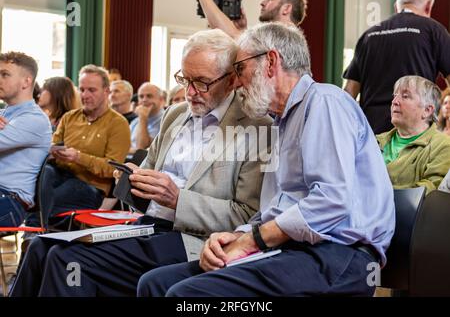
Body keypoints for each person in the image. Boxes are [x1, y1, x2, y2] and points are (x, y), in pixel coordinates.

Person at [136, 22, 395, 297]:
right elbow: (272, 209)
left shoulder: (325, 101)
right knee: (155, 284)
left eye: (239, 69)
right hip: (295, 250)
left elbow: (332, 200)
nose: (235, 82)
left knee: (187, 295)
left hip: (340, 256)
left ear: (270, 62)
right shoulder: (281, 124)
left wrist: (253, 239)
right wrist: (236, 236)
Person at [10, 29, 273, 297]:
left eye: (202, 82)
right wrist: (130, 180)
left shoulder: (257, 127)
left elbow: (247, 215)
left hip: (194, 239)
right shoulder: (177, 114)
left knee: (67, 261)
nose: (191, 91)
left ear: (231, 81)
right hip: (147, 224)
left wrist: (178, 199)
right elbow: (145, 174)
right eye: (185, 79)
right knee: (40, 247)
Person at [24, 65, 131, 230]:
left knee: (43, 198)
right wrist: (51, 152)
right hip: (59, 175)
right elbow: (52, 145)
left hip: (90, 186)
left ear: (106, 91)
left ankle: (33, 231)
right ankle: (36, 232)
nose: (85, 95)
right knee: (45, 173)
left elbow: (113, 169)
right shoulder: (70, 117)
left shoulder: (118, 124)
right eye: (82, 89)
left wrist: (78, 157)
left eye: (91, 90)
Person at [343, 0, 450, 134]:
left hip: (372, 138)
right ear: (428, 6)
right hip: (414, 138)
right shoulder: (435, 31)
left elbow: (348, 94)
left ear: (396, 7)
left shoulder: (369, 36)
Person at [0, 51, 52, 227]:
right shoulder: (5, 113)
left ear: (26, 81)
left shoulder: (34, 119)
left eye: (5, 74)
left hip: (9, 202)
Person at [377, 76, 450, 194]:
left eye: (405, 96)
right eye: (395, 96)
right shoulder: (374, 140)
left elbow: (426, 195)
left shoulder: (443, 146)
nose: (394, 101)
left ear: (427, 110)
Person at [197, 0, 307, 39]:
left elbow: (233, 35)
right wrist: (242, 30)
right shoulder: (281, 36)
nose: (263, 3)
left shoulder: (286, 36)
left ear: (286, 8)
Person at [129, 82, 164, 152]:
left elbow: (142, 148)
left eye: (149, 96)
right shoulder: (135, 122)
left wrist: (142, 118)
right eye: (141, 96)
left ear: (161, 100)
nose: (144, 100)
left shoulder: (166, 120)